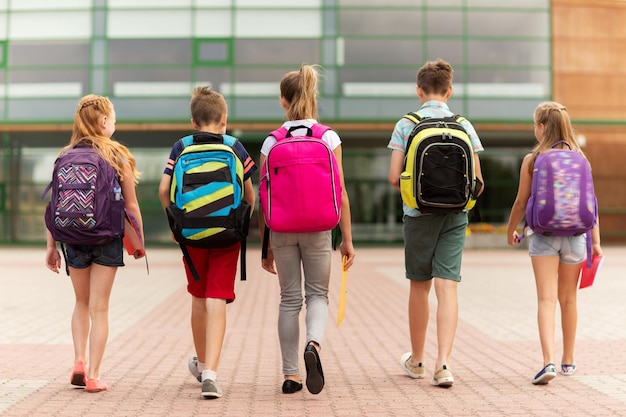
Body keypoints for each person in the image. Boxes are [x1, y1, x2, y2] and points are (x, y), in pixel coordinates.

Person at [258, 64, 356, 395]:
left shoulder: (272, 142)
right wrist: (347, 240)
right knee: (317, 295)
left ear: (283, 102)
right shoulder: (328, 137)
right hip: (319, 228)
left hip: (282, 230)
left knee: (288, 300)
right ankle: (313, 344)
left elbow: (264, 196)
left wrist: (265, 245)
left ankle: (290, 375)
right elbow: (340, 191)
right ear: (313, 97)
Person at [388, 58, 485, 388]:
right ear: (450, 90)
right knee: (448, 287)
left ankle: (417, 361)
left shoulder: (406, 124)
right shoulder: (464, 125)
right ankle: (443, 365)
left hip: (418, 214)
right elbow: (477, 179)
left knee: (420, 285)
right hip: (455, 216)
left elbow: (393, 177)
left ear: (419, 90)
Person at [157, 86, 256, 399]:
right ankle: (211, 372)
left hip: (192, 234)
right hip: (227, 234)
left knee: (198, 297)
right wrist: (241, 223)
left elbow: (163, 189)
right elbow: (251, 195)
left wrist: (176, 224)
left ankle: (201, 367)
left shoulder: (180, 146)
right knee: (217, 298)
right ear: (224, 119)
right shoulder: (235, 146)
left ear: (193, 120)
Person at [45, 94, 145, 393]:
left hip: (72, 238)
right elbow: (131, 205)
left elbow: (53, 205)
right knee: (100, 308)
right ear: (103, 122)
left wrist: (51, 246)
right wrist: (138, 242)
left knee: (81, 302)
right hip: (106, 237)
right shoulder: (117, 155)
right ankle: (95, 375)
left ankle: (78, 361)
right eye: (113, 119)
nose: (114, 123)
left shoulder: (64, 155)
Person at [506, 101, 602, 385]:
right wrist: (595, 242)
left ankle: (547, 362)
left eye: (535, 124)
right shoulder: (582, 159)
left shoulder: (533, 159)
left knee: (546, 300)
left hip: (543, 237)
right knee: (569, 299)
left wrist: (511, 230)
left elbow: (521, 202)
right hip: (576, 237)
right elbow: (591, 203)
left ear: (542, 127)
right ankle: (568, 361)